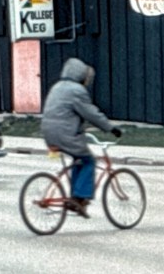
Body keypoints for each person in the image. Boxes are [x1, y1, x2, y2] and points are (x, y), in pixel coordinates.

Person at [40, 58, 122, 218]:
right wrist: (110, 128)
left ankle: (75, 197)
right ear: (81, 75)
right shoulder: (76, 90)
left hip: (48, 132)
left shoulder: (57, 87)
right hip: (64, 133)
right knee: (89, 161)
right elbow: (90, 113)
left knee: (78, 159)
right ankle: (78, 197)